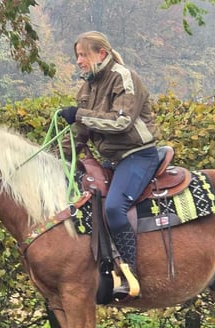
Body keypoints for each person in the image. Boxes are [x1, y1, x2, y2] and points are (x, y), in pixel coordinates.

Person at [59, 31, 160, 299]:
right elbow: (80, 133)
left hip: (139, 155)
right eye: (77, 55)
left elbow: (120, 122)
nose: (79, 61)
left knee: (115, 208)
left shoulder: (123, 77)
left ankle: (131, 276)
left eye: (83, 55)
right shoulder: (87, 86)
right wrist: (56, 160)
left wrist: (78, 114)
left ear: (101, 54)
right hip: (113, 161)